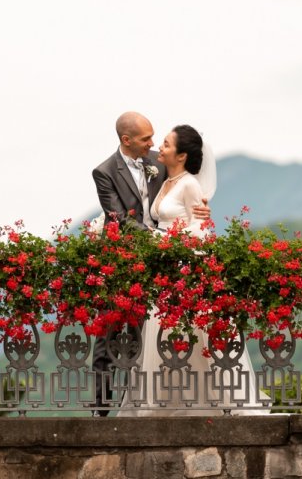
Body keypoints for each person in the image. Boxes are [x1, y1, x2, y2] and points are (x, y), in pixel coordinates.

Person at [118, 124, 266, 416]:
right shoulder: (165, 179)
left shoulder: (189, 185)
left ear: (182, 155)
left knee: (193, 339)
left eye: (167, 144)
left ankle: (203, 405)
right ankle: (165, 404)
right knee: (165, 339)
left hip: (183, 270)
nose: (159, 147)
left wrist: (166, 241)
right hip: (165, 272)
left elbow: (200, 231)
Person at [89, 112, 210, 415]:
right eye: (146, 140)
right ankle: (100, 412)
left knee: (151, 336)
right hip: (124, 260)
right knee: (109, 337)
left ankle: (151, 403)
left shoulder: (159, 161)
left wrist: (200, 211)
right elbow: (119, 219)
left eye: (156, 139)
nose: (154, 145)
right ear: (126, 140)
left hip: (160, 264)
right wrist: (159, 238)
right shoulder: (104, 172)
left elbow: (185, 182)